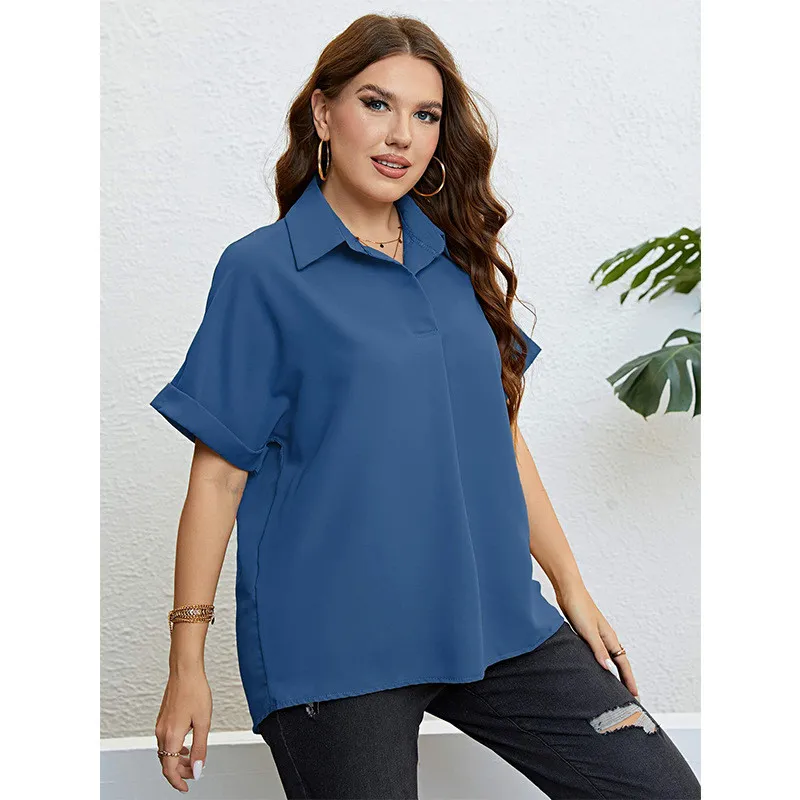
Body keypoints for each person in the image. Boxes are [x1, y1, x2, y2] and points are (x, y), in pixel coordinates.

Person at [151, 13, 701, 800]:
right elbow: (217, 476)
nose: (400, 135)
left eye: (426, 114)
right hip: (335, 645)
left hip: (493, 620)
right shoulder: (263, 271)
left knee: (659, 789)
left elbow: (501, 437)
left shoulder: (455, 260)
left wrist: (571, 588)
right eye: (376, 104)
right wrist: (187, 665)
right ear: (322, 113)